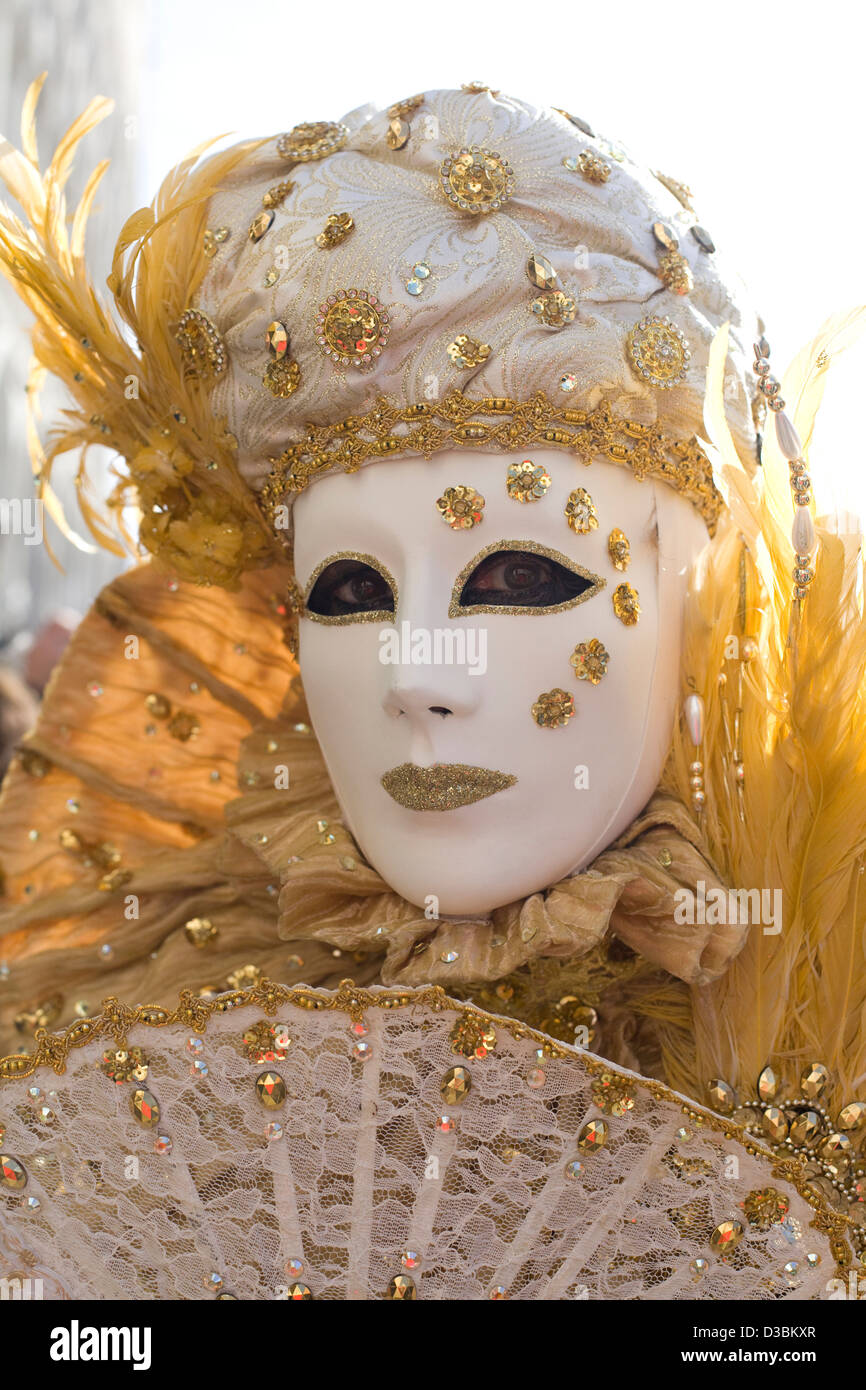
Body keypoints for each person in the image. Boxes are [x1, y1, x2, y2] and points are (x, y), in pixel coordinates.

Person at [0, 79, 862, 1300]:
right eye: (349, 593)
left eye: (516, 575)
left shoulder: (823, 994)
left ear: (694, 601)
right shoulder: (181, 1006)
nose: (416, 677)